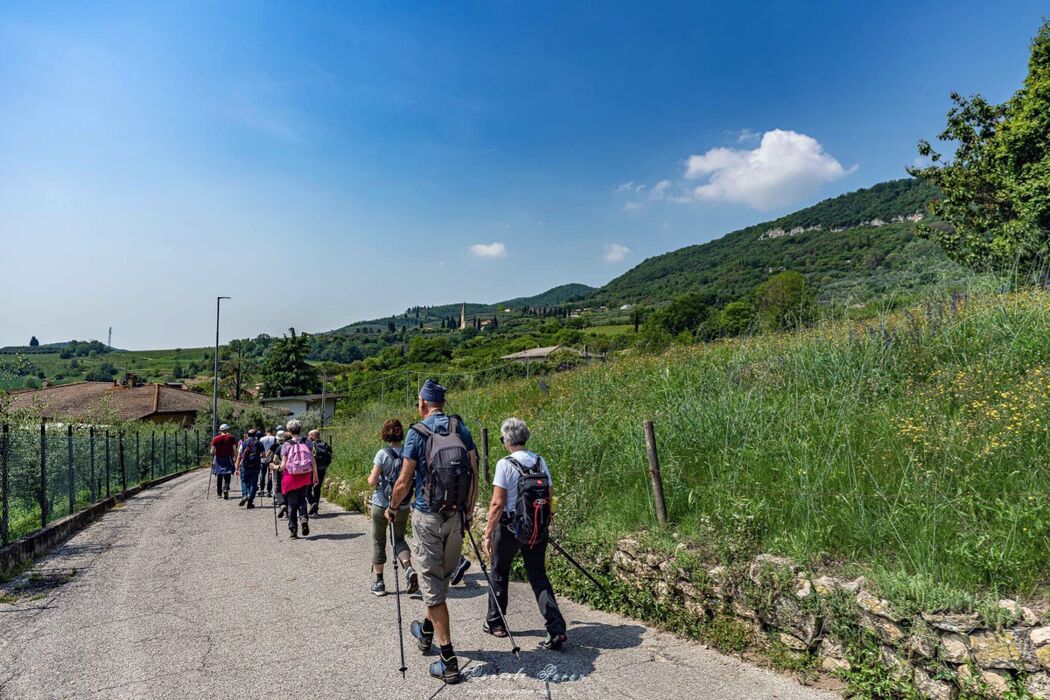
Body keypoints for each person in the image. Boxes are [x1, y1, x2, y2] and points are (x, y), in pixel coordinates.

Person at [387, 379, 477, 685]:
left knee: (433, 587)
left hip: (427, 517)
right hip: (456, 517)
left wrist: (392, 507)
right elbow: (475, 469)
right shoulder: (459, 427)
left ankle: (448, 661)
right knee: (438, 581)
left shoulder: (418, 432)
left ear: (423, 403)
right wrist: (468, 510)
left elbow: (404, 480)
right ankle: (425, 632)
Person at [482, 417, 567, 650]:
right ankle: (556, 628)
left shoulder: (504, 464)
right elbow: (549, 493)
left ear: (506, 440)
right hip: (537, 529)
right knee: (538, 576)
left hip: (509, 529)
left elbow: (497, 504)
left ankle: (496, 623)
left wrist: (487, 533)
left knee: (499, 571)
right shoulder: (540, 461)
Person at [367, 419, 418, 597]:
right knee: (399, 539)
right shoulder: (408, 453)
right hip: (402, 504)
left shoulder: (382, 454)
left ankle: (379, 582)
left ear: (385, 434)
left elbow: (372, 481)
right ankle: (408, 568)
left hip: (381, 503)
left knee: (379, 541)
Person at [278, 420, 318, 539]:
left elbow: (283, 465)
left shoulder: (286, 444)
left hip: (291, 477)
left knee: (291, 504)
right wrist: (315, 476)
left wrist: (274, 466)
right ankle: (304, 518)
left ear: (289, 431)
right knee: (302, 499)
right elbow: (313, 461)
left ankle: (293, 530)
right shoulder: (307, 442)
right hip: (305, 475)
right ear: (300, 429)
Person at [307, 429, 333, 515]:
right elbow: (332, 456)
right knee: (317, 488)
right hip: (322, 468)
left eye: (309, 435)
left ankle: (313, 504)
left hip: (312, 469)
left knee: (308, 488)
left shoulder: (310, 445)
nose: (308, 437)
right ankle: (316, 509)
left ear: (313, 436)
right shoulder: (325, 445)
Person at [236, 429, 264, 508]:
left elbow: (239, 456)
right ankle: (250, 502)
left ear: (247, 435)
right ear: (255, 435)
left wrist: (237, 468)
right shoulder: (259, 443)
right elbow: (263, 455)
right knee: (253, 484)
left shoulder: (243, 443)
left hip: (245, 466)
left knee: (244, 481)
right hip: (256, 466)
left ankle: (244, 495)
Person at [210, 424, 237, 499]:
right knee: (227, 474)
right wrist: (235, 457)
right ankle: (226, 488)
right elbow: (234, 449)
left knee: (219, 475)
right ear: (227, 430)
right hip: (228, 458)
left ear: (220, 430)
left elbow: (212, 451)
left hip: (218, 459)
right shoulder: (231, 438)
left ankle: (219, 493)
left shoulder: (215, 438)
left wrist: (212, 455)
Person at [258, 427, 277, 497]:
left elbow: (259, 448)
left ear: (266, 432)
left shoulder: (262, 439)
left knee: (262, 474)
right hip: (271, 459)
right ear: (272, 432)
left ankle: (262, 490)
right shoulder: (274, 438)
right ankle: (269, 491)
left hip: (263, 458)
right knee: (270, 475)